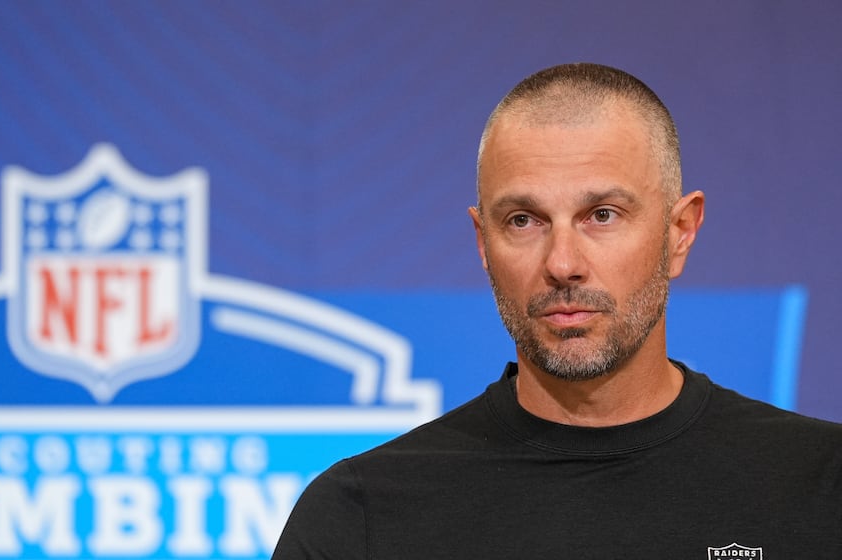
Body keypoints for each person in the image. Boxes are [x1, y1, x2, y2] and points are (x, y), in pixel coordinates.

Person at [271, 63, 842, 559]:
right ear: (483, 243)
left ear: (680, 232)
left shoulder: (823, 484)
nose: (563, 264)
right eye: (523, 220)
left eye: (602, 215)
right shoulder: (362, 515)